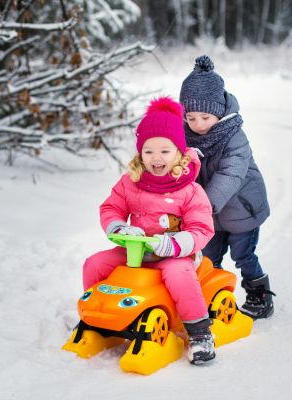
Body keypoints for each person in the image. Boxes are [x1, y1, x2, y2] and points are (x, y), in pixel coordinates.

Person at [82, 96, 217, 364]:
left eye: (165, 151)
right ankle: (98, 318)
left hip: (176, 254)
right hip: (136, 252)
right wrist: (119, 227)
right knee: (94, 264)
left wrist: (174, 245)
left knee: (178, 274)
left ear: (178, 152)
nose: (156, 158)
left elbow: (202, 228)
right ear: (139, 153)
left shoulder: (190, 189)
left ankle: (199, 332)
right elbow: (111, 208)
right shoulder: (130, 182)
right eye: (148, 151)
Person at [179, 55, 276, 319]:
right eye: (191, 117)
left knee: (243, 256)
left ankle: (259, 295)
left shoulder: (234, 136)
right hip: (209, 214)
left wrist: (203, 205)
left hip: (241, 209)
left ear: (219, 112)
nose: (197, 124)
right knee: (208, 259)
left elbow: (230, 173)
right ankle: (213, 299)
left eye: (205, 116)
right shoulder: (184, 138)